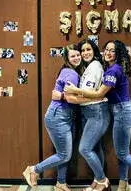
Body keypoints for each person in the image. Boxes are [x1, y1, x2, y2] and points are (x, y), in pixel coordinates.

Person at [64, 40, 131, 191]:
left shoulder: (113, 71)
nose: (109, 53)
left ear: (118, 54)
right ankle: (123, 184)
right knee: (123, 152)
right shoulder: (110, 68)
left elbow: (99, 93)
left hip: (122, 112)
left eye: (113, 51)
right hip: (121, 111)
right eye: (107, 50)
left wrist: (75, 91)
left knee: (122, 153)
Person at [53, 39, 111, 191]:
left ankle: (102, 180)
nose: (85, 53)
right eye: (82, 51)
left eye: (88, 50)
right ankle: (97, 182)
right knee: (96, 147)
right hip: (88, 111)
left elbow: (92, 94)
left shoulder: (95, 66)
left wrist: (71, 95)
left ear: (94, 51)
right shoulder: (86, 67)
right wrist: (68, 96)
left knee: (84, 149)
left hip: (96, 111)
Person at [23, 44, 82, 191]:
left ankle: (61, 183)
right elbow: (70, 98)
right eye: (72, 56)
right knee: (64, 154)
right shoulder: (72, 73)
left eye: (77, 54)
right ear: (67, 59)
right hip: (59, 117)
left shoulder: (69, 71)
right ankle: (34, 170)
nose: (76, 58)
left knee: (63, 153)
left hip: (64, 116)